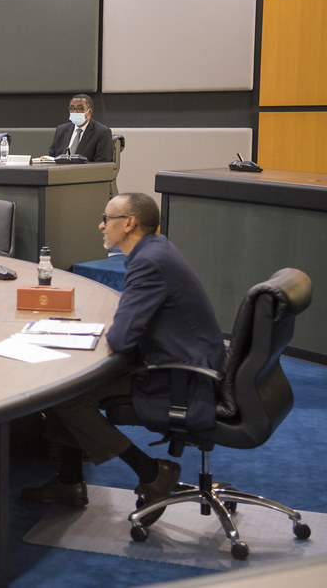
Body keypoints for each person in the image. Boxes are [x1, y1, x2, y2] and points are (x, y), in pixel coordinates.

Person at [21, 193, 224, 526]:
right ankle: (69, 482)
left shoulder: (148, 262)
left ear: (129, 223)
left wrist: (107, 330)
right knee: (67, 384)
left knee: (68, 395)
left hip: (182, 376)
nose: (101, 225)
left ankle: (151, 472)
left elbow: (120, 339)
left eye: (107, 218)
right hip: (180, 358)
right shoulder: (157, 250)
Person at [48, 93, 114, 162]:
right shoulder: (61, 130)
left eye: (80, 109)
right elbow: (51, 157)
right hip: (59, 168)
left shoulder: (102, 132)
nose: (75, 112)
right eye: (72, 108)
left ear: (90, 111)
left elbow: (103, 163)